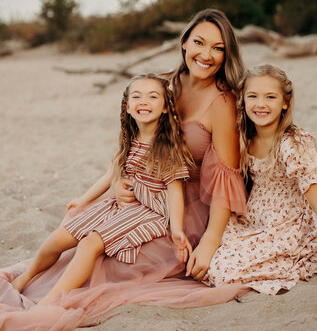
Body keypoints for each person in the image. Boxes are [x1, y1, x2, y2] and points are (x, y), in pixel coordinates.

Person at [0, 9, 248, 330]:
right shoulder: (164, 85)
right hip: (140, 191)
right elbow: (132, 145)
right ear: (184, 42)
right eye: (199, 42)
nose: (207, 54)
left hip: (186, 206)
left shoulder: (223, 102)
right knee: (73, 236)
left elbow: (227, 177)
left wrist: (211, 240)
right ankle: (29, 283)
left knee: (109, 261)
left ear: (227, 53)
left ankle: (47, 306)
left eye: (218, 48)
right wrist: (119, 183)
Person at [11, 74, 193, 304]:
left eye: (153, 96)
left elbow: (175, 191)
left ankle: (51, 301)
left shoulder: (166, 147)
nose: (144, 101)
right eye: (137, 96)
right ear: (127, 107)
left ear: (166, 108)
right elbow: (110, 175)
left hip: (148, 211)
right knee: (60, 237)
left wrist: (176, 229)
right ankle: (26, 277)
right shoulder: (129, 138)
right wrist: (83, 199)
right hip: (119, 203)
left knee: (89, 244)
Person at [207, 64, 317, 294]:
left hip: (286, 225)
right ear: (242, 101)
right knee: (208, 250)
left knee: (222, 270)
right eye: (252, 96)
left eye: (270, 97)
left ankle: (299, 262)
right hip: (253, 218)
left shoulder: (291, 144)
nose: (260, 104)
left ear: (284, 102)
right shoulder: (246, 136)